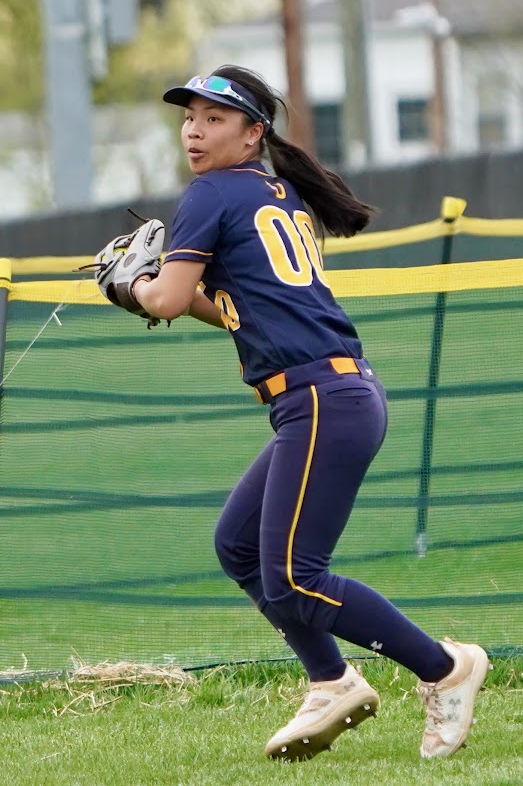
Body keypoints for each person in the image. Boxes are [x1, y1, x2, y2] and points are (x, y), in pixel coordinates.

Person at [131, 65, 489, 762]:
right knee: (238, 546)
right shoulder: (274, 190)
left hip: (322, 400)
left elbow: (167, 301)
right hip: (334, 397)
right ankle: (331, 681)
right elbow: (233, 308)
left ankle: (447, 668)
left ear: (252, 132)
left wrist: (138, 286)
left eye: (214, 118)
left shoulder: (210, 192)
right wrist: (154, 287)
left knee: (294, 574)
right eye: (189, 118)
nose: (195, 132)